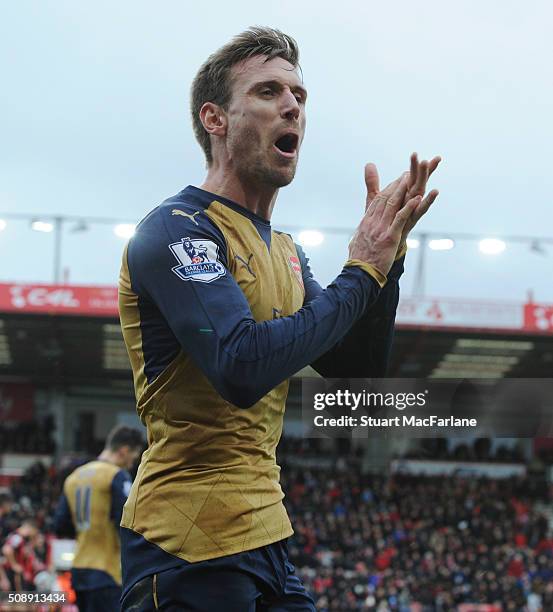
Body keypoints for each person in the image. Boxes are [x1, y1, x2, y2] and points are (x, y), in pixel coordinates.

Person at [118, 26, 440, 611]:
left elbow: (357, 372)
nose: (293, 104)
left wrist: (385, 265)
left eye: (299, 94)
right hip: (188, 541)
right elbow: (240, 365)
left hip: (267, 536)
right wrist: (359, 271)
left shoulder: (285, 249)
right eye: (269, 91)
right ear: (214, 120)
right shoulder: (177, 229)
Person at [53, 425, 143, 612]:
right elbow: (128, 522)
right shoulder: (116, 476)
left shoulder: (73, 477)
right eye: (133, 458)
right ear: (124, 451)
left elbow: (60, 526)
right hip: (107, 572)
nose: (131, 464)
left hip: (79, 570)